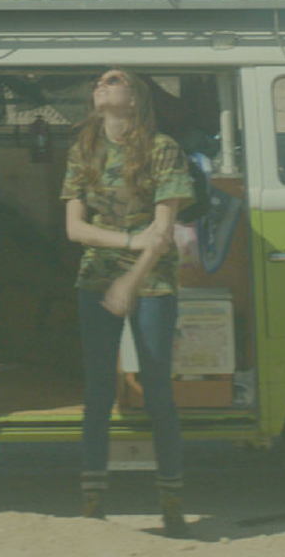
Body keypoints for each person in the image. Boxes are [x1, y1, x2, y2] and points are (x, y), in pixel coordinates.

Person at [61, 69, 195, 536]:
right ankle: (93, 503)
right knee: (97, 392)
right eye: (98, 79)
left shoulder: (162, 149)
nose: (102, 82)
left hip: (153, 282)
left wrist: (129, 282)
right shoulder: (84, 150)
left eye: (114, 79)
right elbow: (74, 229)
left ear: (134, 98)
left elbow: (163, 234)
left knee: (157, 391)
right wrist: (127, 242)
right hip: (96, 277)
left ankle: (173, 506)